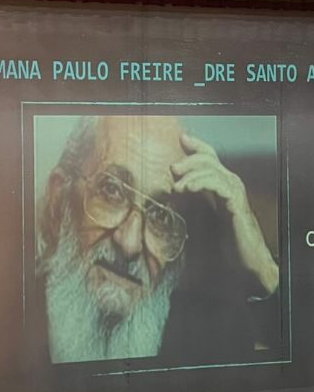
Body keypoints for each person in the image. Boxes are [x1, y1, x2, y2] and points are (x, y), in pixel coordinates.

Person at [35, 115, 280, 364]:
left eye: (161, 215)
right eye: (111, 190)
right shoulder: (2, 330)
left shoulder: (204, 340)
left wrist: (264, 269)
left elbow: (307, 368)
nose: (129, 244)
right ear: (58, 201)